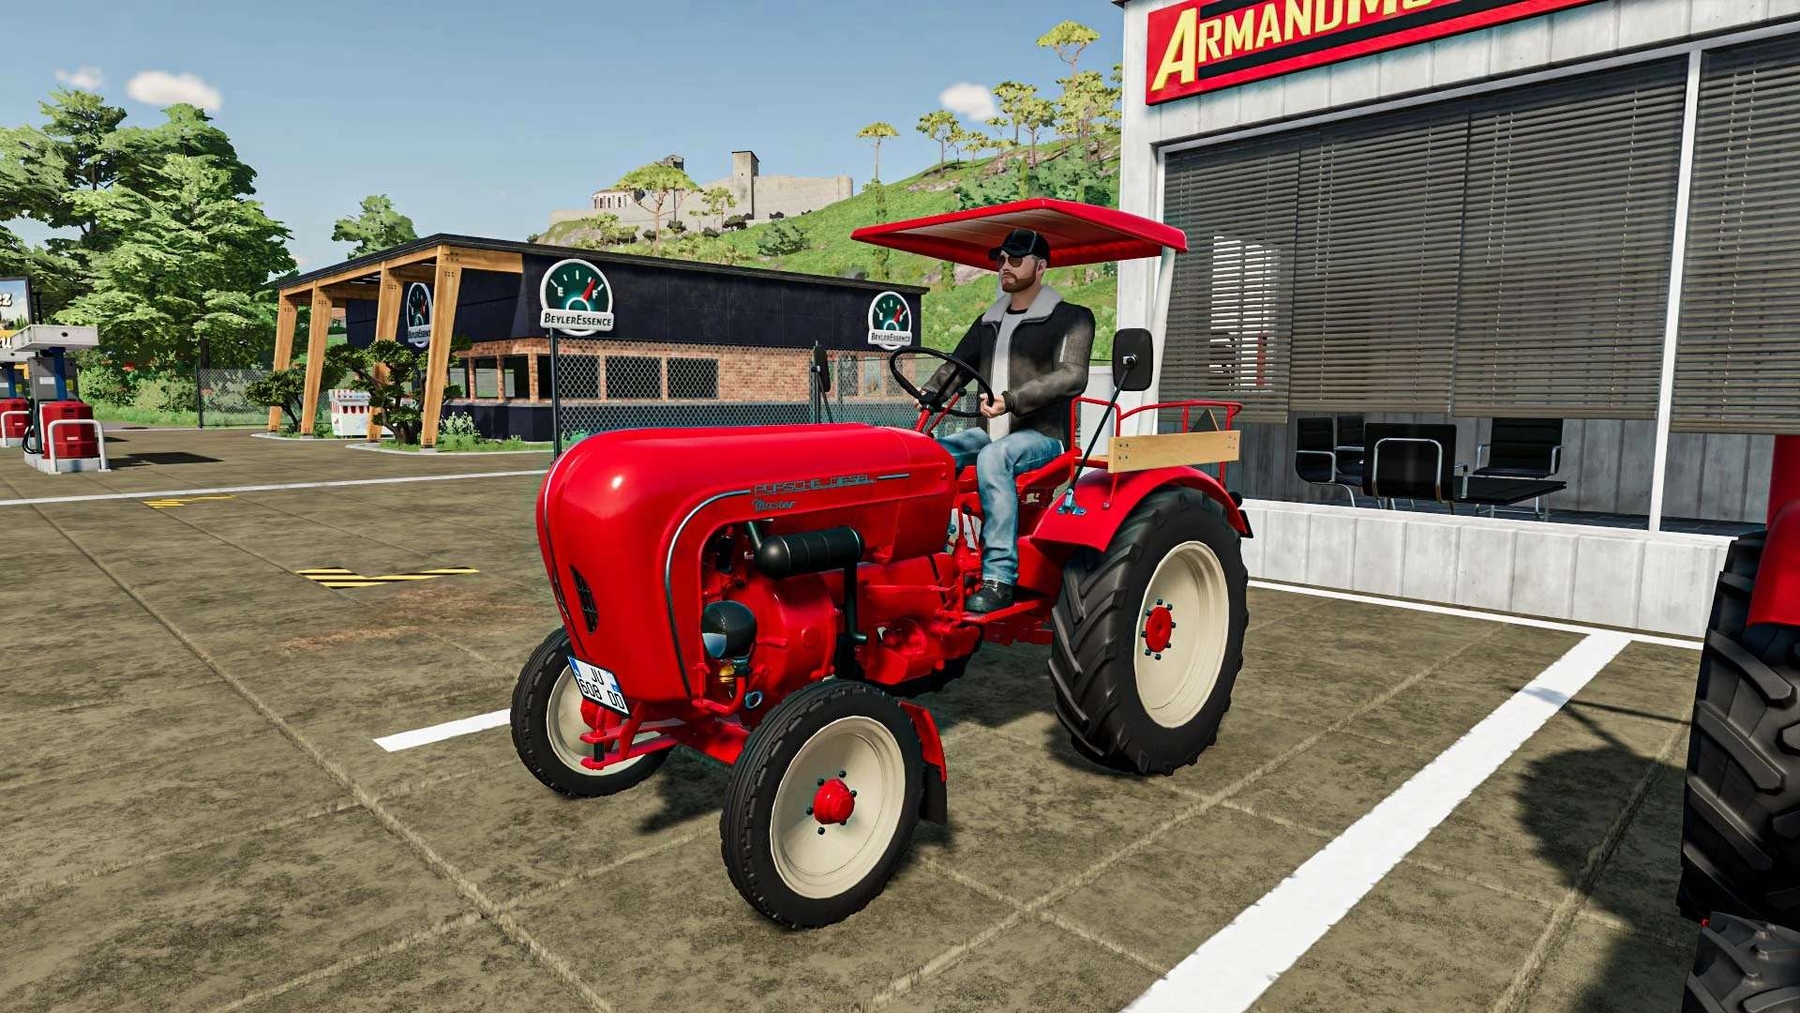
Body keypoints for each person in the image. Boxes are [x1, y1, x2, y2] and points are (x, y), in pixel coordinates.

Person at [918, 227, 1095, 613]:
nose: (1005, 267)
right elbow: (957, 366)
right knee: (930, 457)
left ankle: (999, 577)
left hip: (1043, 436)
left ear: (1041, 267)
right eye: (1001, 260)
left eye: (1015, 259)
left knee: (994, 457)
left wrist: (1012, 400)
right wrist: (928, 393)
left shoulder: (1072, 318)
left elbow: (1071, 376)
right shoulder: (988, 321)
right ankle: (926, 559)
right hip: (990, 433)